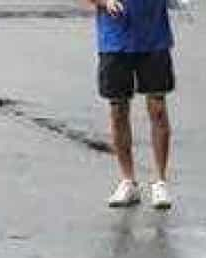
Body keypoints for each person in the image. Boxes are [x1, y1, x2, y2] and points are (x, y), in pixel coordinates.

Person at [89, 0, 173, 210]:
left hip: (154, 39)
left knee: (158, 108)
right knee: (118, 110)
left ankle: (160, 181)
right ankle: (128, 180)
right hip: (115, 40)